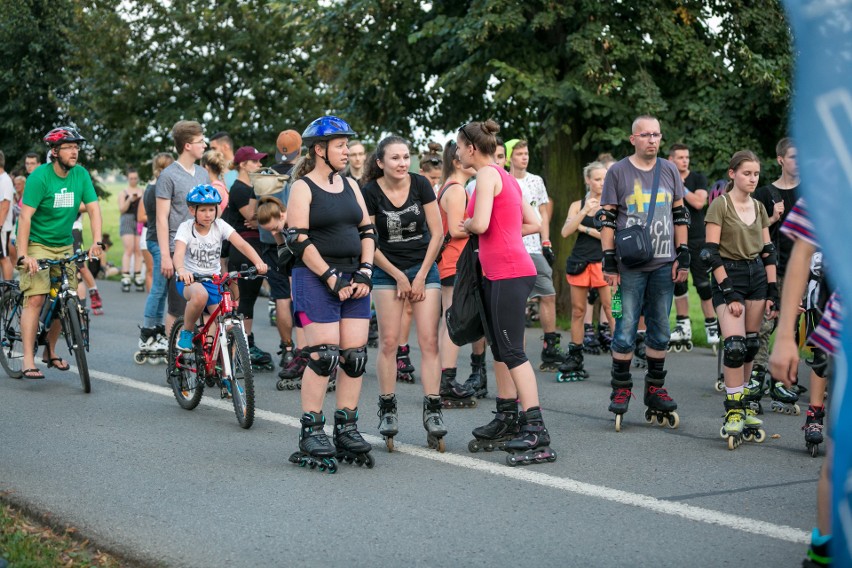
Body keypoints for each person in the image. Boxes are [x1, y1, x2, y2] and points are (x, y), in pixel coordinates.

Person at [458, 119, 556, 466]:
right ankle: (509, 417)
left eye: (458, 146)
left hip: (508, 272)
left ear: (471, 147)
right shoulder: (507, 177)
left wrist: (466, 224)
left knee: (512, 350)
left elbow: (480, 224)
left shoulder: (485, 176)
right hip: (510, 270)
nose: (457, 153)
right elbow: (534, 223)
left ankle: (536, 429)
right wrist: (504, 232)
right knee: (501, 348)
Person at [284, 115, 376, 471]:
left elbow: (367, 230)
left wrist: (365, 271)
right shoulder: (303, 188)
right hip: (316, 277)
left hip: (355, 276)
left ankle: (346, 427)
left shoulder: (351, 185)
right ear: (319, 150)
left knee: (354, 357)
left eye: (347, 145)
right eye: (340, 145)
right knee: (323, 356)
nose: (347, 151)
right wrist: (330, 276)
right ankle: (311, 429)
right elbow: (298, 239)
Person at [598, 115, 688, 432]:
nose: (652, 140)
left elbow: (680, 213)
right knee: (624, 328)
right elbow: (606, 219)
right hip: (631, 266)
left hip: (665, 263)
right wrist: (609, 260)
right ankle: (621, 389)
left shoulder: (670, 170)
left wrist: (684, 254)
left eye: (656, 135)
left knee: (661, 330)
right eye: (646, 135)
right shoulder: (618, 172)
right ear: (633, 138)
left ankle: (654, 389)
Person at [363, 135, 447, 450]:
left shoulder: (421, 184)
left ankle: (434, 409)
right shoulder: (370, 192)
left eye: (405, 157)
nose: (401, 163)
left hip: (424, 266)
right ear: (380, 162)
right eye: (394, 158)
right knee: (388, 341)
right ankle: (387, 408)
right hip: (386, 270)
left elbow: (438, 232)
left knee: (428, 341)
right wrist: (398, 275)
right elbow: (368, 240)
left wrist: (422, 274)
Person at [768, 198, 840, 567]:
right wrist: (784, 336)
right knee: (843, 455)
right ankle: (824, 550)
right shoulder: (836, 169)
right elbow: (802, 250)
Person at [702, 150, 777, 449]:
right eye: (747, 173)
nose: (753, 178)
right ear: (732, 173)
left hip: (756, 276)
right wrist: (729, 291)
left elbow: (768, 250)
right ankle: (733, 410)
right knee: (733, 346)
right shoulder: (719, 206)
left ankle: (744, 403)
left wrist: (773, 291)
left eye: (756, 174)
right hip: (727, 276)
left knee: (750, 345)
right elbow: (709, 252)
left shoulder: (759, 207)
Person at [16, 126, 103, 380]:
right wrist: (24, 255)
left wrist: (97, 241)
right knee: (36, 298)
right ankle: (28, 360)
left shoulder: (81, 175)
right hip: (37, 243)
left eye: (77, 147)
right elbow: (25, 217)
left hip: (64, 243)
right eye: (69, 147)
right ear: (55, 152)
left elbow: (95, 209)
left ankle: (50, 352)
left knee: (65, 297)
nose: (75, 151)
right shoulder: (39, 178)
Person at [173, 184, 267, 351]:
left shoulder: (221, 225)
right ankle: (186, 332)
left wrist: (258, 262)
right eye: (202, 210)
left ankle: (223, 373)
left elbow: (242, 244)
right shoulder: (186, 228)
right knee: (200, 295)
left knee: (225, 324)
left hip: (213, 281)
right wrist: (181, 271)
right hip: (190, 280)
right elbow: (178, 254)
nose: (208, 214)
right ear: (192, 211)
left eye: (211, 209)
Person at [749, 137, 800, 393]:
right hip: (775, 268)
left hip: (804, 271)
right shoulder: (765, 194)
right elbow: (750, 233)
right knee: (766, 325)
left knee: (793, 327)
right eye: (793, 157)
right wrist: (772, 218)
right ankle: (758, 375)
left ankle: (784, 378)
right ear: (781, 159)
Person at [509, 140, 564, 370]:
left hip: (534, 246)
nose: (524, 157)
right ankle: (514, 350)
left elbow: (542, 211)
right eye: (519, 153)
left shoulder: (536, 181)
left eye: (526, 153)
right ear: (509, 157)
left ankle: (550, 347)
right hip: (513, 246)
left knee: (548, 294)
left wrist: (546, 242)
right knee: (517, 301)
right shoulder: (504, 180)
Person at [559, 161, 614, 381]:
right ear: (588, 180)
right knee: (578, 311)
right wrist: (584, 211)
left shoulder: (612, 205)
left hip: (603, 263)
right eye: (597, 179)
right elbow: (565, 232)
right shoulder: (577, 204)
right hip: (580, 262)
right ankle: (575, 355)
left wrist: (585, 228)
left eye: (604, 178)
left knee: (611, 310)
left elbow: (612, 237)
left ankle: (620, 356)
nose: (602, 183)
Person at [220, 145, 274, 371]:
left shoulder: (247, 187)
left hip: (250, 246)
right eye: (255, 161)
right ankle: (240, 348)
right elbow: (252, 215)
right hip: (243, 247)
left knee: (247, 299)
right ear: (243, 164)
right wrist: (260, 211)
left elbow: (259, 218)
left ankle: (244, 344)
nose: (259, 165)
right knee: (243, 300)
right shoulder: (241, 189)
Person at [157, 120, 211, 340]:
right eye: (200, 141)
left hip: (202, 248)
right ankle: (174, 359)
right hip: (176, 248)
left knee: (206, 304)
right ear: (187, 145)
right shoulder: (168, 176)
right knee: (177, 307)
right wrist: (165, 256)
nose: (204, 145)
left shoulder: (202, 174)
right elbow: (161, 218)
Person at [436, 140, 477, 406]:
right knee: (453, 319)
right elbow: (455, 228)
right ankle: (447, 382)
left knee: (448, 319)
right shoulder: (456, 190)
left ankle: (444, 377)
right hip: (454, 260)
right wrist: (480, 225)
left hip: (450, 260)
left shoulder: (449, 187)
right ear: (455, 161)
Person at [667, 143, 717, 351]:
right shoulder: (663, 180)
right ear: (671, 160)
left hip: (697, 238)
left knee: (703, 284)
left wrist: (680, 185)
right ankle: (683, 325)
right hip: (672, 238)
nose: (685, 160)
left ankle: (711, 326)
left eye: (687, 157)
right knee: (678, 282)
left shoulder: (698, 178)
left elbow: (698, 203)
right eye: (680, 157)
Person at [264, 130, 301, 379]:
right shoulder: (303, 173)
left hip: (270, 242)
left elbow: (260, 210)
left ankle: (288, 349)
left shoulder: (266, 175)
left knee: (281, 297)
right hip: (300, 239)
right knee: (303, 293)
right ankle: (309, 350)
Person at [137, 152, 175, 363]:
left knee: (161, 290)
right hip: (157, 240)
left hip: (153, 239)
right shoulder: (160, 187)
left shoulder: (153, 185)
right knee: (159, 289)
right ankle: (148, 332)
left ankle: (157, 327)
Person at [118, 168, 144, 292]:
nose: (133, 180)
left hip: (139, 220)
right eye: (131, 178)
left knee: (138, 249)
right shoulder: (123, 192)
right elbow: (121, 209)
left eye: (135, 178)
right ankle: (126, 275)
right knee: (129, 249)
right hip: (127, 220)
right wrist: (130, 199)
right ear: (128, 179)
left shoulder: (142, 191)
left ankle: (138, 275)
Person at [0, 151, 15, 280]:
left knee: (4, 257)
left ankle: (8, 290)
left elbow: (5, 205)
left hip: (3, 227)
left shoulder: (5, 180)